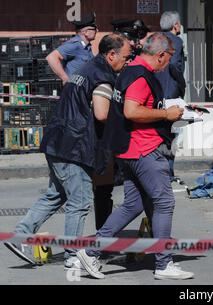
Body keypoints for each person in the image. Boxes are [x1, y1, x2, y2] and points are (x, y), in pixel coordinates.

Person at [4, 34, 132, 270]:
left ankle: (21, 234)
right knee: (80, 201)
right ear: (111, 55)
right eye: (126, 57)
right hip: (74, 147)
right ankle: (73, 254)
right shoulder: (103, 77)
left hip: (58, 140)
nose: (127, 61)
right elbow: (102, 114)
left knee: (55, 195)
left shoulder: (86, 69)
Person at [76, 33, 194, 281]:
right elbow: (131, 110)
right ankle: (163, 264)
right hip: (144, 149)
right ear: (161, 55)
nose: (169, 62)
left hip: (128, 150)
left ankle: (91, 250)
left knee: (133, 204)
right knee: (164, 203)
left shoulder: (130, 71)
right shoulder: (140, 75)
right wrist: (166, 115)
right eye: (170, 57)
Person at [92, 19, 151, 232]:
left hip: (122, 135)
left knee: (134, 193)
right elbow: (102, 112)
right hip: (106, 136)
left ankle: (106, 237)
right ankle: (103, 238)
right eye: (130, 38)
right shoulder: (105, 68)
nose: (134, 44)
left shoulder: (128, 62)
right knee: (103, 190)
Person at [155, 11, 186, 184]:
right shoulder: (177, 41)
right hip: (171, 93)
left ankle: (161, 170)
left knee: (158, 132)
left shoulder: (155, 38)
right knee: (171, 134)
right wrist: (182, 85)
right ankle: (168, 171)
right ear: (176, 25)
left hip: (156, 92)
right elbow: (175, 65)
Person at [46, 12, 98, 84]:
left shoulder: (86, 46)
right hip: (75, 91)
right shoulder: (75, 45)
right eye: (94, 29)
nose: (97, 31)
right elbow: (51, 57)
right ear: (86, 32)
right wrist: (65, 78)